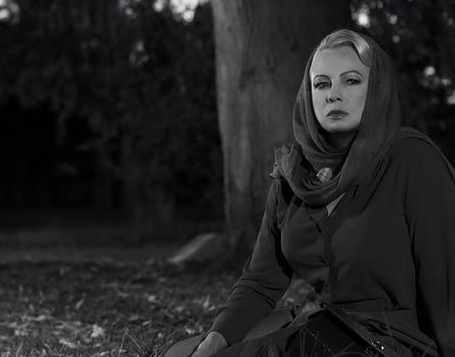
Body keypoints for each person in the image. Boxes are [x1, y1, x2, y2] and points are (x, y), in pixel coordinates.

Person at [164, 28, 455, 357]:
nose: (334, 94)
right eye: (322, 84)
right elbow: (261, 280)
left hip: (393, 341)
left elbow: (446, 281)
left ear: (377, 89)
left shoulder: (412, 160)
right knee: (180, 353)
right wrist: (213, 341)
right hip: (328, 327)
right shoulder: (293, 175)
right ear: (309, 94)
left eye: (351, 80)